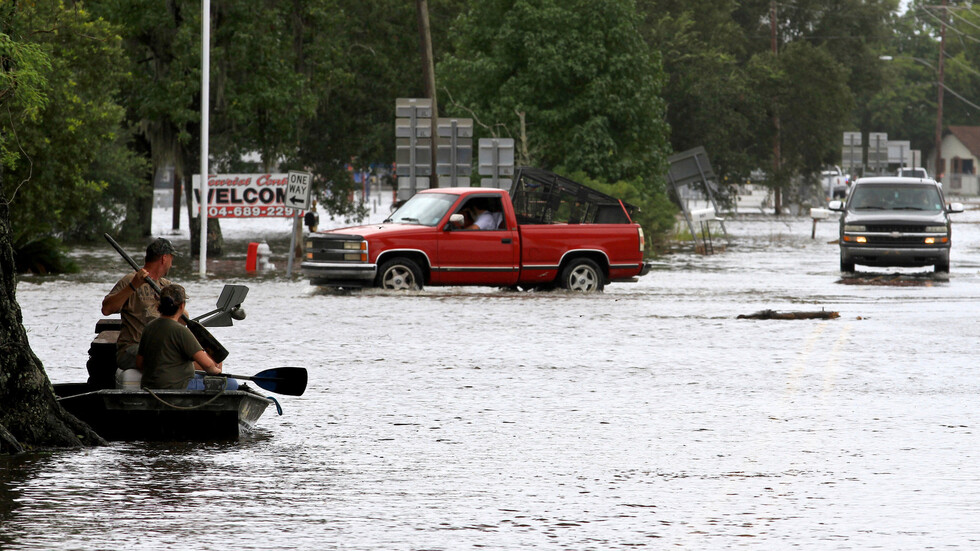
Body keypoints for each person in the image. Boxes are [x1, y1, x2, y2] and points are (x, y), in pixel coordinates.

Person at [101, 237, 178, 388]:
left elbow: (182, 319)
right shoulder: (130, 280)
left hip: (161, 347)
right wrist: (134, 285)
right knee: (167, 356)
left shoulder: (166, 286)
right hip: (132, 348)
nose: (172, 264)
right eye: (172, 259)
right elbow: (107, 309)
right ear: (164, 258)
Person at [137, 284, 238, 390]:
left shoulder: (149, 327)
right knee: (232, 384)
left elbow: (139, 363)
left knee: (200, 376)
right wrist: (217, 373)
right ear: (182, 306)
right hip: (177, 386)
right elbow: (208, 366)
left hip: (149, 385)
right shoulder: (181, 331)